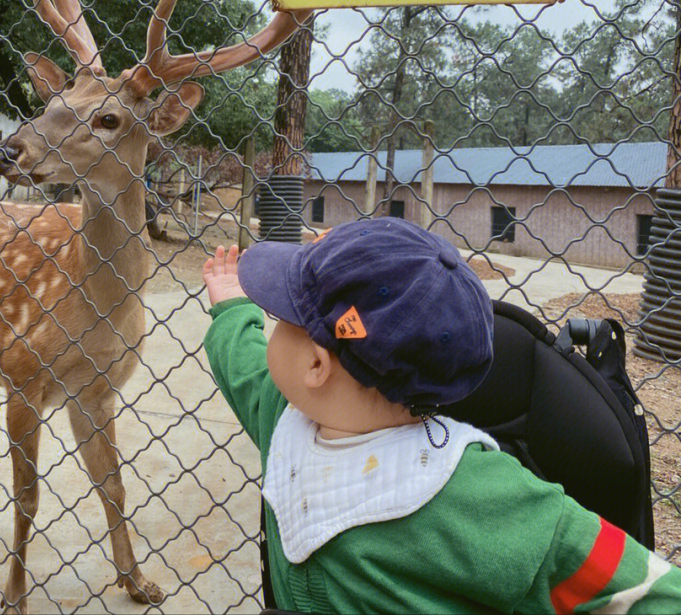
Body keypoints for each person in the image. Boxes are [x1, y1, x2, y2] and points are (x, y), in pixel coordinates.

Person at [203, 219, 681, 613]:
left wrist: (233, 311)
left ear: (316, 365)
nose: (269, 326)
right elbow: (243, 367)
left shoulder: (484, 493)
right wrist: (231, 313)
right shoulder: (286, 416)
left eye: (280, 318)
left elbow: (653, 594)